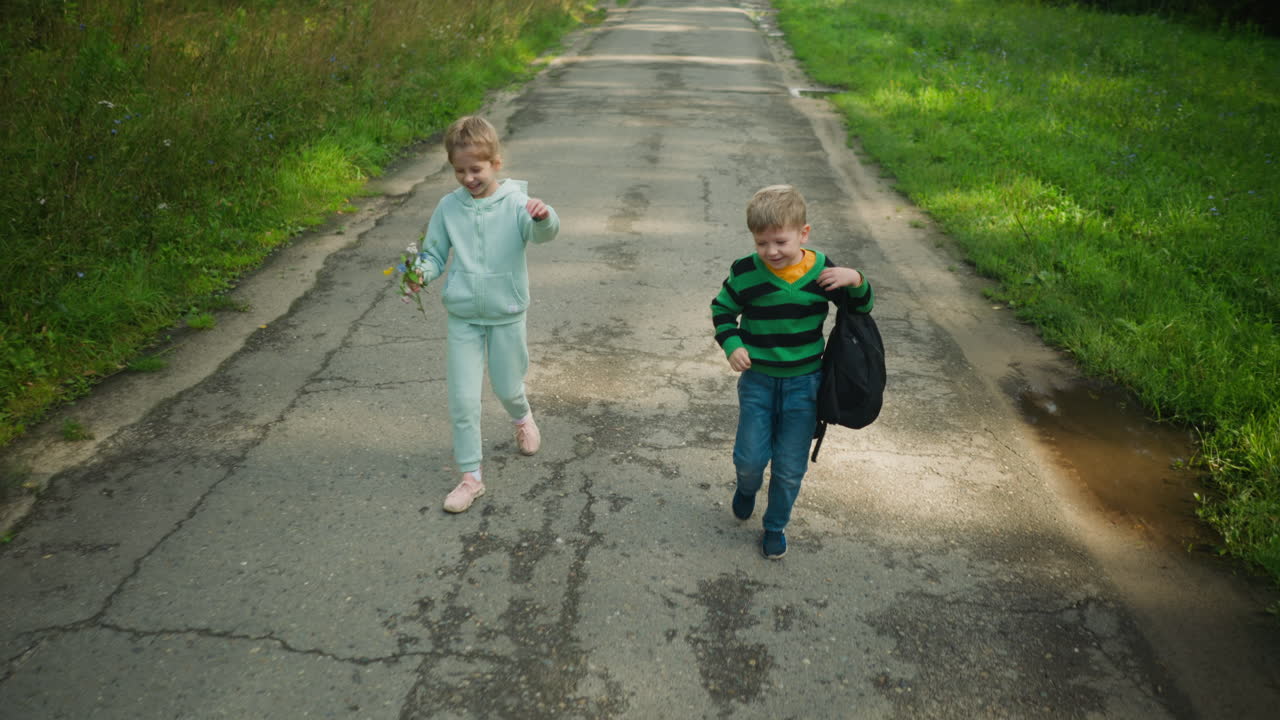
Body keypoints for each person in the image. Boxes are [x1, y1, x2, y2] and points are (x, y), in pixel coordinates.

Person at [710, 185, 874, 558]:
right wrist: (732, 344)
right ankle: (747, 487)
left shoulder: (822, 271)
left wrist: (856, 279)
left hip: (805, 384)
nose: (771, 252)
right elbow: (722, 310)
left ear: (803, 234)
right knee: (749, 458)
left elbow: (860, 308)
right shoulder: (746, 273)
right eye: (761, 243)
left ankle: (775, 526)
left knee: (789, 466)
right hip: (758, 382)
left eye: (780, 242)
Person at [409, 115, 560, 513]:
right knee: (462, 399)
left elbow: (542, 234)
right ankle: (470, 477)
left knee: (507, 386)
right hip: (464, 316)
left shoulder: (516, 204)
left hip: (506, 312)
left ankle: (522, 416)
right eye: (459, 171)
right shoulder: (449, 207)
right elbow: (434, 253)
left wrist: (545, 217)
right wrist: (419, 274)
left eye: (475, 169)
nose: (467, 178)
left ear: (496, 163)